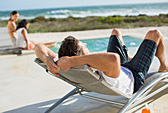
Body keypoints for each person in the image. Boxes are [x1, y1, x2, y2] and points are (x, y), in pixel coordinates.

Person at [35, 28, 168, 95]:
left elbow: (38, 46)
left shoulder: (64, 63)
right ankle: (163, 65)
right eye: (84, 46)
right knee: (155, 34)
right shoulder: (79, 63)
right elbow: (113, 59)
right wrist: (72, 61)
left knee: (115, 32)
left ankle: (129, 58)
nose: (87, 44)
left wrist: (47, 59)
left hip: (119, 68)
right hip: (133, 77)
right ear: (76, 58)